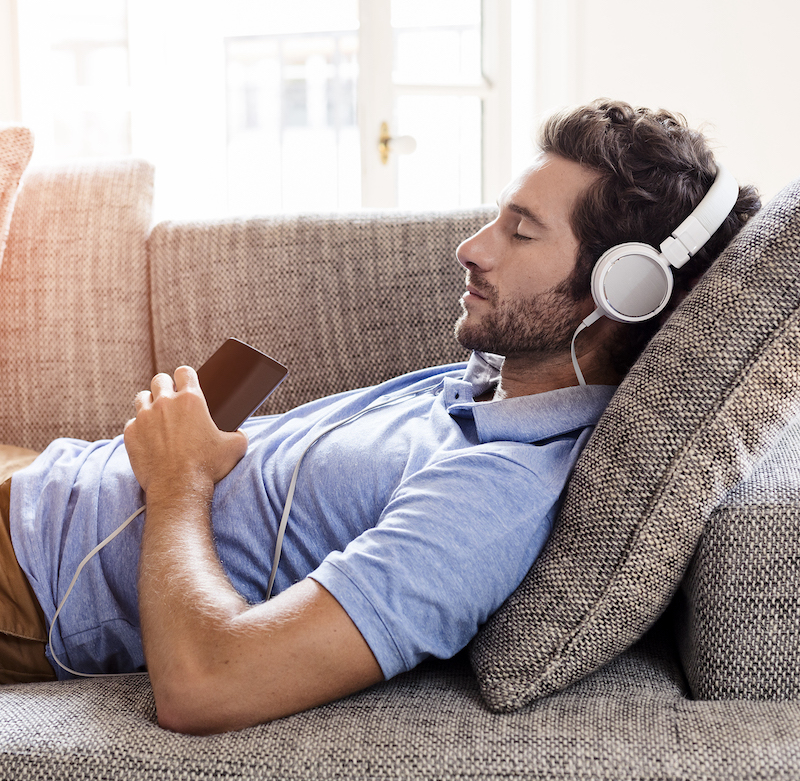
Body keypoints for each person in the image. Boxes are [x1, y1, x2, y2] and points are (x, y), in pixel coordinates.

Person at [1, 100, 760, 735]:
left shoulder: (491, 499)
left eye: (522, 232)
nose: (471, 248)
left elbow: (207, 687)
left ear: (624, 288)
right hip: (36, 474)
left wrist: (178, 482)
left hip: (25, 581)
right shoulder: (491, 385)